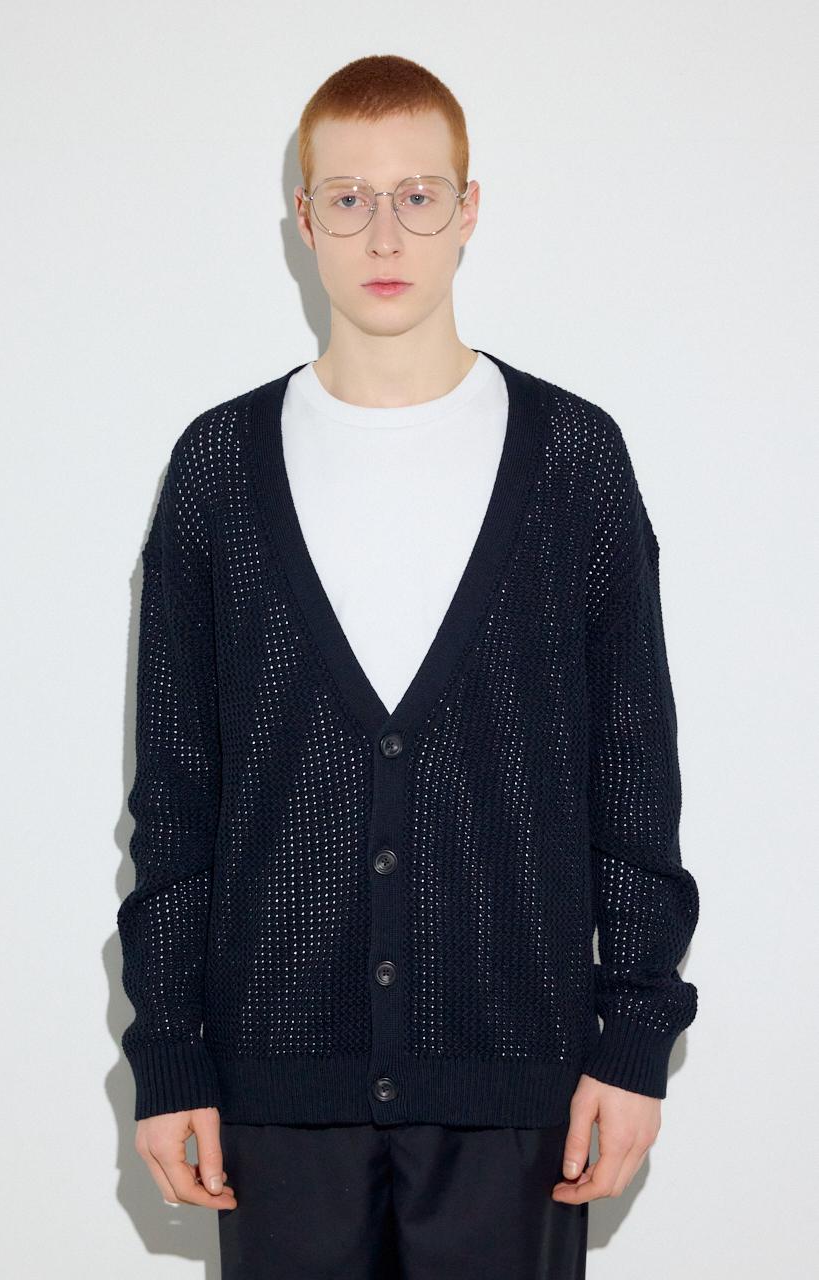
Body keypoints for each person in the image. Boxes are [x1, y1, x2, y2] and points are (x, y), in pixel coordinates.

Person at [118, 53, 699, 1279]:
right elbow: (175, 794)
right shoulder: (219, 468)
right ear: (304, 217)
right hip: (276, 1084)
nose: (384, 233)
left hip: (517, 1080)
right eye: (348, 198)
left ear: (467, 209)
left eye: (417, 196)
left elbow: (632, 779)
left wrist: (634, 1037)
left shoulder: (573, 461)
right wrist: (167, 1049)